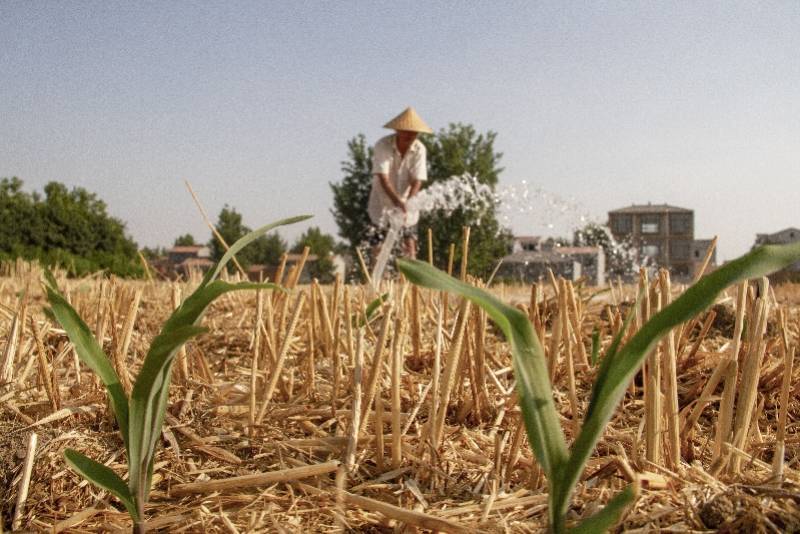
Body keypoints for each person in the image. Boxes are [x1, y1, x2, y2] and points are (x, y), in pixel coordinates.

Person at [367, 106, 433, 260]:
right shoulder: (382, 145)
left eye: (413, 132)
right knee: (378, 244)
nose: (409, 135)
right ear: (397, 130)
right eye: (406, 131)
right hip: (381, 203)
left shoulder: (420, 149)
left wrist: (408, 202)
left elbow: (417, 180)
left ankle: (410, 280)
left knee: (409, 243)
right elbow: (383, 177)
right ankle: (377, 279)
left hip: (406, 202)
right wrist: (397, 201)